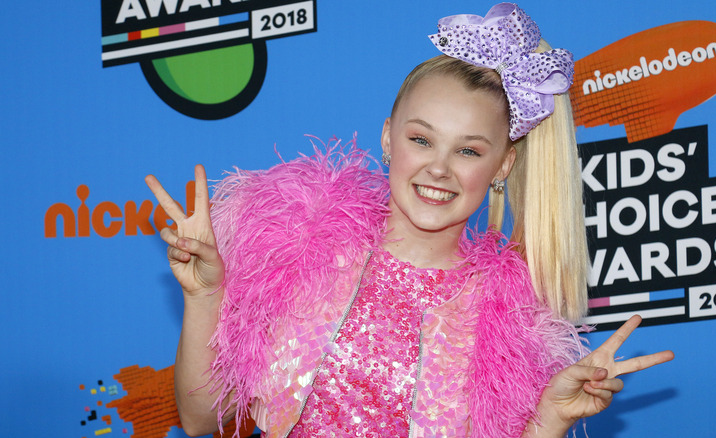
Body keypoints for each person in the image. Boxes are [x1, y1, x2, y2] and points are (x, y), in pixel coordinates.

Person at [146, 3, 673, 437]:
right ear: (387, 137)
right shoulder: (302, 248)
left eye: (468, 150)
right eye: (421, 139)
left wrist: (551, 419)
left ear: (502, 166)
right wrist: (205, 296)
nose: (438, 168)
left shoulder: (510, 316)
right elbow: (198, 420)